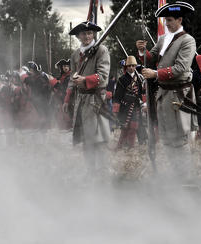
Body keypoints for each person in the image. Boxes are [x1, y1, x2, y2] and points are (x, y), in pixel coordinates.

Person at [137, 1, 197, 179]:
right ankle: (175, 174)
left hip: (179, 96)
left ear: (180, 20)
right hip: (164, 95)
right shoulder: (163, 39)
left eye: (170, 20)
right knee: (167, 138)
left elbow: (180, 68)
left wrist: (155, 74)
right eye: (165, 21)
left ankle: (185, 178)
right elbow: (151, 57)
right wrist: (143, 51)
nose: (167, 24)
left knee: (179, 140)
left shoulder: (188, 40)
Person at [62, 21, 111, 176]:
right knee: (85, 139)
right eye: (83, 34)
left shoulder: (101, 50)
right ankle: (91, 172)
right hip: (81, 101)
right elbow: (72, 79)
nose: (87, 36)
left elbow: (103, 77)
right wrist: (67, 98)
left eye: (90, 33)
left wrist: (85, 80)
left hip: (96, 100)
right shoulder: (76, 55)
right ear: (78, 36)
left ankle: (102, 172)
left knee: (99, 139)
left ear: (94, 34)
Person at [112, 56, 145, 149]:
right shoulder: (122, 79)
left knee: (134, 127)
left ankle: (131, 146)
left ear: (135, 66)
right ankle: (120, 146)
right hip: (125, 106)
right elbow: (117, 95)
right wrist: (115, 109)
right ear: (126, 67)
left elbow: (141, 92)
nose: (131, 67)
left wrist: (144, 102)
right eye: (129, 66)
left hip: (136, 105)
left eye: (133, 65)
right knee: (125, 127)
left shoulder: (139, 78)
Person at [23, 61, 51, 128]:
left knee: (44, 112)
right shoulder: (29, 78)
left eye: (31, 70)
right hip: (35, 98)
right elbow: (24, 85)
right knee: (40, 113)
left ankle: (45, 127)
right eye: (30, 70)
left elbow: (48, 85)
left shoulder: (42, 76)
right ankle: (42, 126)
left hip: (43, 97)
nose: (31, 71)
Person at [53, 59, 72, 129]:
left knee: (67, 113)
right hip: (61, 98)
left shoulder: (70, 76)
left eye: (67, 66)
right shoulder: (62, 76)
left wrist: (55, 83)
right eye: (64, 66)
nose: (66, 68)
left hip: (69, 98)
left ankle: (69, 126)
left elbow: (64, 88)